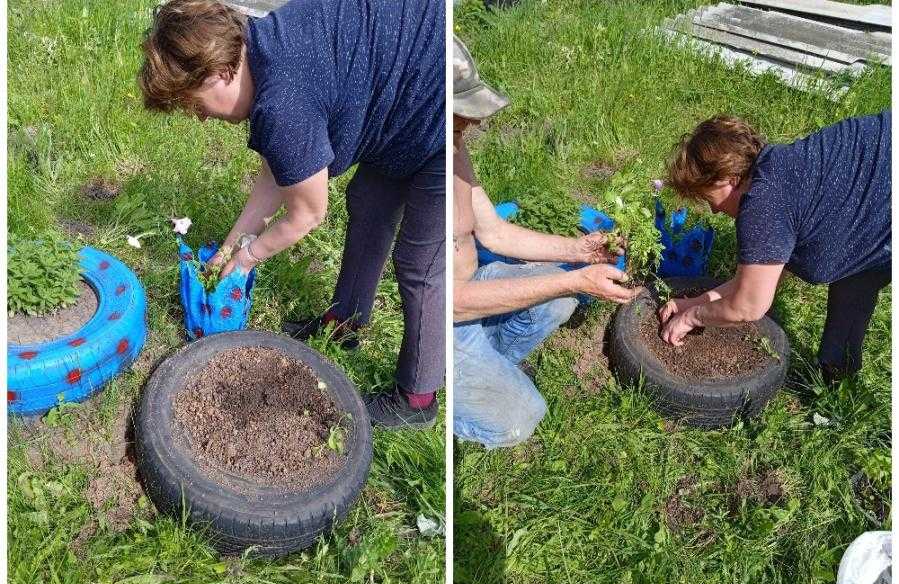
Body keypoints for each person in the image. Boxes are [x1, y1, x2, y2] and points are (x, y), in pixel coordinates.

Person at [139, 0, 445, 428]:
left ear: (218, 72)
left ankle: (417, 399)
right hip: (395, 90)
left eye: (195, 104)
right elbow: (280, 172)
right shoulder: (266, 44)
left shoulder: (281, 104)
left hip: (436, 108)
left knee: (420, 264)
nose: (201, 119)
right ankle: (345, 324)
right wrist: (230, 246)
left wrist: (246, 260)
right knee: (370, 204)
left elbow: (307, 213)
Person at [452, 36, 641, 449]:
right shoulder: (420, 179)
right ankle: (444, 398)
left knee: (557, 300)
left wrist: (579, 251)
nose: (474, 123)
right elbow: (450, 301)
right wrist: (575, 280)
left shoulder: (453, 149)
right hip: (443, 324)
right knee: (521, 419)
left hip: (474, 288)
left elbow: (494, 232)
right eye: (459, 114)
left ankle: (492, 367)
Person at [661, 112, 890, 383]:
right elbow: (754, 282)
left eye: (709, 197)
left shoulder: (763, 203)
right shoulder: (779, 169)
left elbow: (748, 306)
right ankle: (837, 380)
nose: (712, 209)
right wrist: (694, 303)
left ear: (730, 178)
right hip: (878, 201)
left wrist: (690, 319)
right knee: (855, 272)